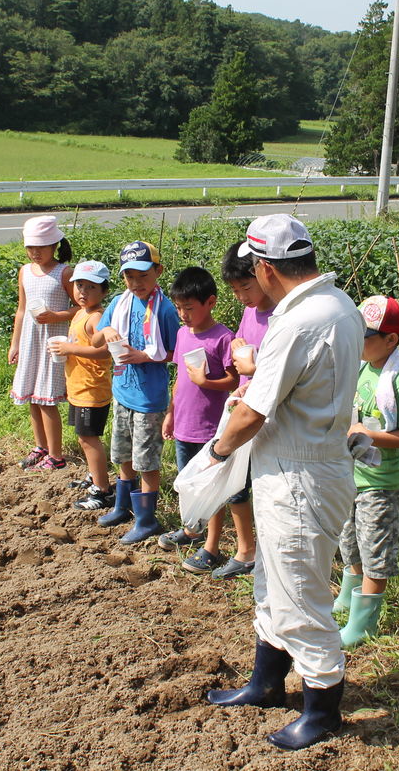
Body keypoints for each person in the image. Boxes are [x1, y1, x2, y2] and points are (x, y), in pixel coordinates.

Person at [202, 214, 364, 751]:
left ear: (266, 268)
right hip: (309, 463)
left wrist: (217, 453)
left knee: (299, 592)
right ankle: (266, 684)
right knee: (273, 580)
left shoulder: (298, 322)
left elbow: (253, 412)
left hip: (299, 475)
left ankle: (322, 711)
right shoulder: (339, 304)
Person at [157, 240, 269, 580]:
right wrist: (171, 412)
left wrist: (214, 380)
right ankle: (197, 532)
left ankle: (230, 548)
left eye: (245, 287)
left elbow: (240, 371)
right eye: (236, 289)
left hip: (240, 418)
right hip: (233, 410)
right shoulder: (244, 315)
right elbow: (234, 366)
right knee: (199, 480)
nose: (242, 296)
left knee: (232, 488)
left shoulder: (277, 317)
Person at [334, 295, 399, 649]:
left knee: (375, 549)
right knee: (349, 540)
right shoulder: (362, 369)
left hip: (379, 483)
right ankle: (348, 598)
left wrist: (367, 434)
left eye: (366, 337)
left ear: (390, 340)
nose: (358, 343)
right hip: (352, 475)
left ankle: (363, 623)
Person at [93, 240, 180, 544]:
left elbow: (176, 352)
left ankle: (146, 519)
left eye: (143, 275)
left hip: (149, 399)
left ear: (158, 271)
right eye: (130, 276)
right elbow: (96, 340)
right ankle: (123, 506)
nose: (136, 283)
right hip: (122, 392)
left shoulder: (165, 309)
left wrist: (144, 356)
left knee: (147, 460)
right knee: (122, 453)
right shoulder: (119, 302)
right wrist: (106, 330)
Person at [157, 266, 240, 573]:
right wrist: (171, 413)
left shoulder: (223, 338)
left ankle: (212, 547)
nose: (183, 315)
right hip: (184, 425)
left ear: (211, 302)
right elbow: (179, 378)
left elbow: (234, 380)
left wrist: (207, 382)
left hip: (211, 429)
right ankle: (191, 529)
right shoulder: (182, 334)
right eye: (179, 308)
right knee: (189, 484)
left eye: (189, 308)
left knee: (211, 489)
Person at [8, 215, 77, 471]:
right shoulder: (25, 271)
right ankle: (41, 447)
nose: (35, 253)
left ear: (54, 245)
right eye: (30, 247)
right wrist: (15, 344)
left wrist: (57, 316)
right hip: (30, 342)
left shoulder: (64, 273)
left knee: (47, 399)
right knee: (33, 398)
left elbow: (82, 307)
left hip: (52, 344)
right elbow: (21, 310)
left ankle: (56, 456)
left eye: (41, 247)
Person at [47, 260, 115, 506]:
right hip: (78, 387)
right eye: (79, 285)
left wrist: (71, 349)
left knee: (89, 438)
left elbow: (106, 351)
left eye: (91, 287)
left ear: (104, 291)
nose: (83, 292)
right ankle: (95, 475)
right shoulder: (79, 313)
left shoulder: (97, 318)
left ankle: (102, 490)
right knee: (83, 438)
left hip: (92, 390)